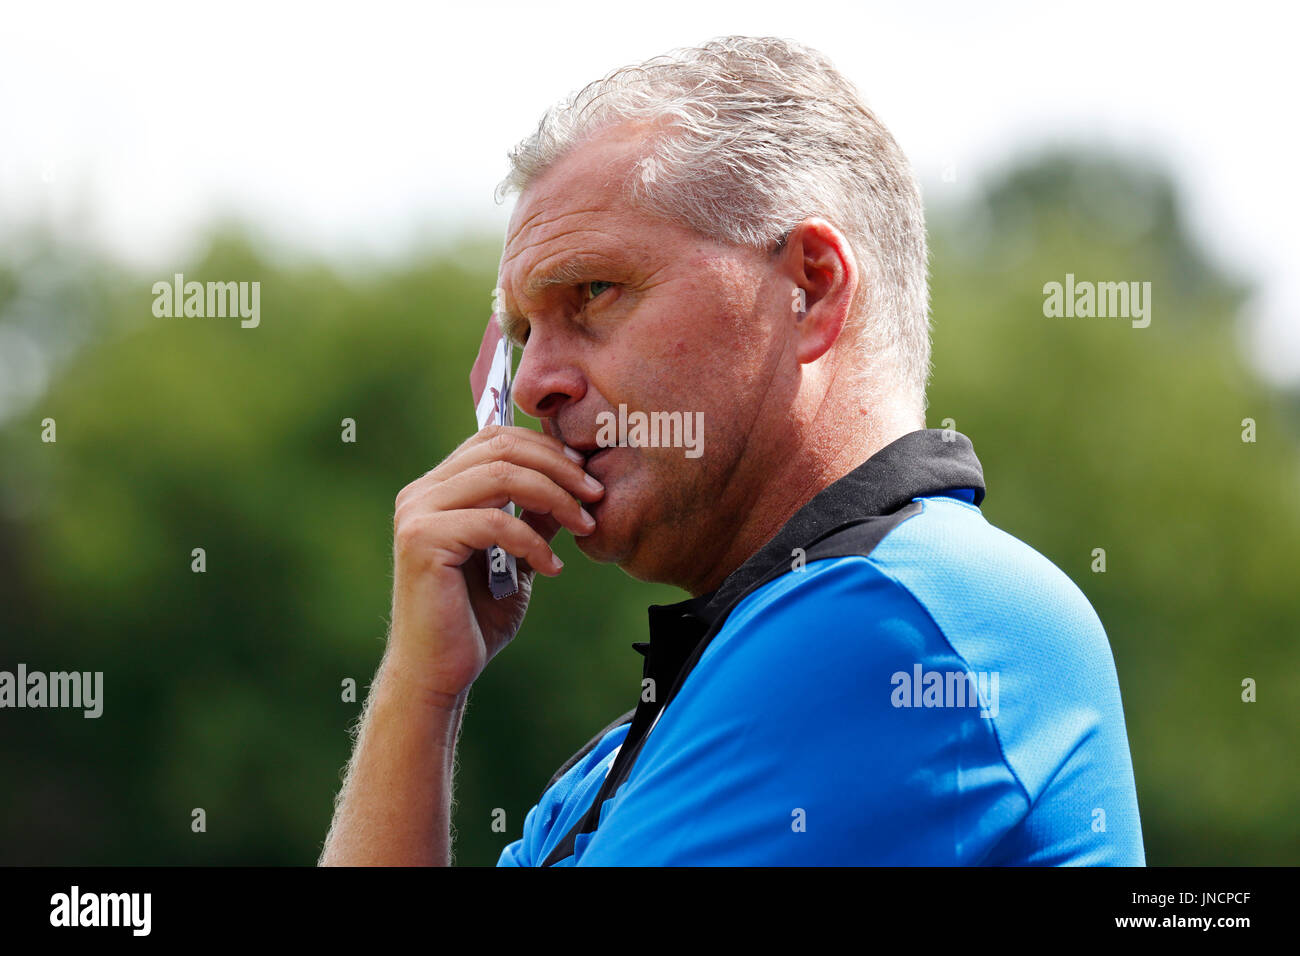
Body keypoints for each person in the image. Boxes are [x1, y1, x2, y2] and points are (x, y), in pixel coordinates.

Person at [319, 35, 1145, 866]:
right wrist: (419, 692)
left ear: (810, 288)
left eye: (594, 291)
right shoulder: (633, 753)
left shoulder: (895, 618)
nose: (532, 384)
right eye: (523, 332)